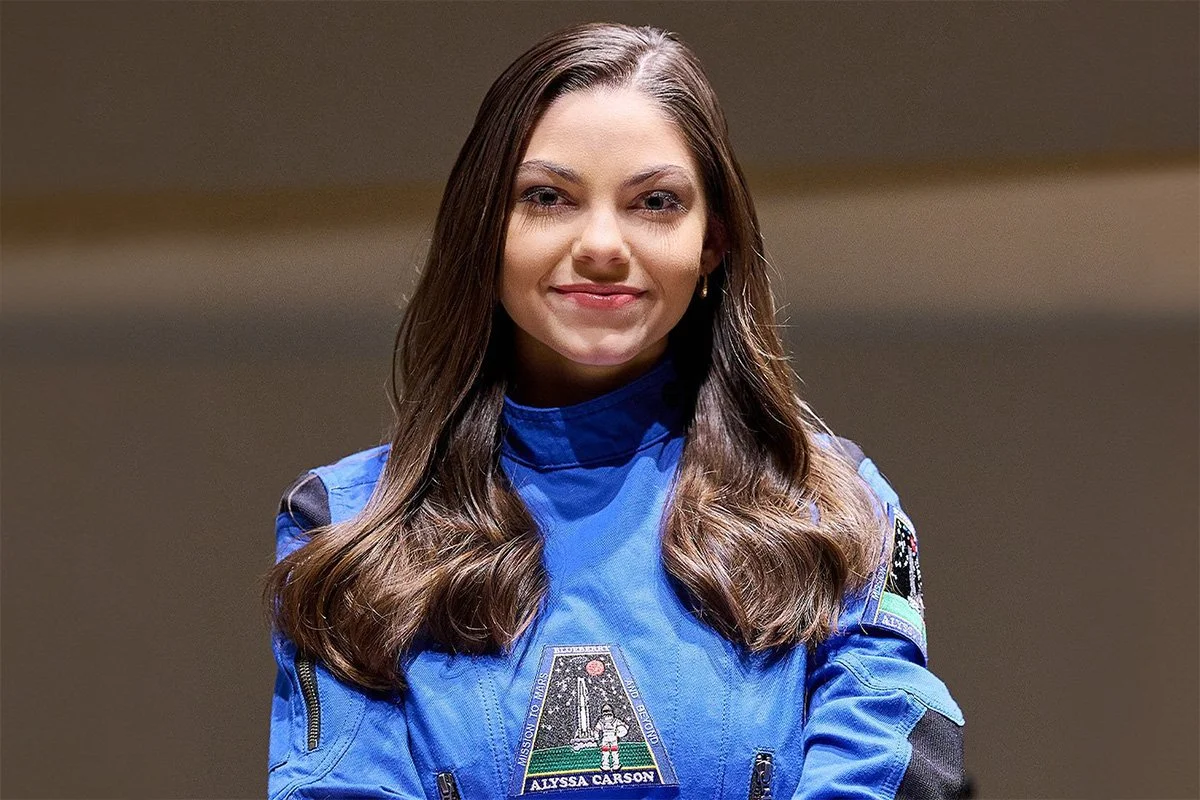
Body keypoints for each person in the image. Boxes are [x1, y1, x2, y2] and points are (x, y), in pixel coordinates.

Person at [262, 21, 966, 800]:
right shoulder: (351, 527)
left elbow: (889, 767)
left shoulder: (838, 512)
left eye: (654, 202)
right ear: (484, 232)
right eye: (549, 198)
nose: (601, 243)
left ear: (713, 245)